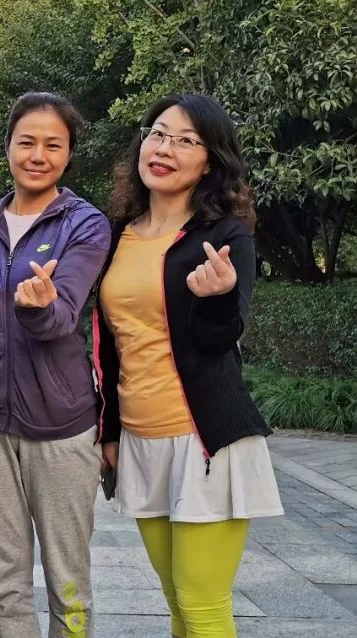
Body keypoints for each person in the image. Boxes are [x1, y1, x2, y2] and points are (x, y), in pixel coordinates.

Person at [95, 94, 284, 638]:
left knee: (202, 606)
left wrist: (218, 299)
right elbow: (111, 345)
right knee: (176, 602)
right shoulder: (117, 233)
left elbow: (222, 338)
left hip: (203, 440)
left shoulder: (224, 236)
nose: (164, 148)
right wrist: (111, 431)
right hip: (141, 438)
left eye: (184, 140)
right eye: (157, 134)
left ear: (209, 161)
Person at [0, 92, 111, 637]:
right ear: (8, 147)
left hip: (61, 426)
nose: (38, 155)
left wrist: (38, 307)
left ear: (69, 155)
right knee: (3, 582)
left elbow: (63, 316)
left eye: (53, 145)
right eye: (26, 142)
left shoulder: (85, 224)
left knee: (68, 582)